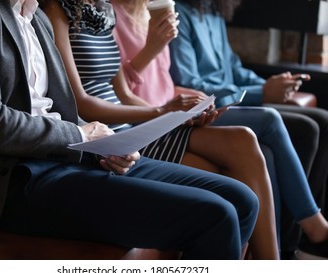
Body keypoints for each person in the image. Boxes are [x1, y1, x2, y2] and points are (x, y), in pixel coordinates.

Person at [0, 0, 261, 260]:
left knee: (241, 198)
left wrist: (106, 144)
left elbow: (58, 109)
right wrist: (81, 136)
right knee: (215, 214)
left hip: (68, 155)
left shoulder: (37, 18)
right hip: (9, 176)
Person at [40, 0, 280, 259]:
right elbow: (80, 101)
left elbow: (123, 93)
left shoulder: (102, 9)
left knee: (243, 138)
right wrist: (159, 112)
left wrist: (175, 115)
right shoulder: (57, 10)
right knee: (227, 180)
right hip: (105, 134)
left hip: (131, 121)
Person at [111, 0, 328, 259]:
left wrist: (265, 86)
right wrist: (164, 106)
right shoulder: (124, 15)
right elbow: (122, 92)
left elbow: (175, 82)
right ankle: (300, 239)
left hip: (176, 110)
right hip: (150, 119)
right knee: (270, 124)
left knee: (301, 130)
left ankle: (280, 252)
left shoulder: (175, 14)